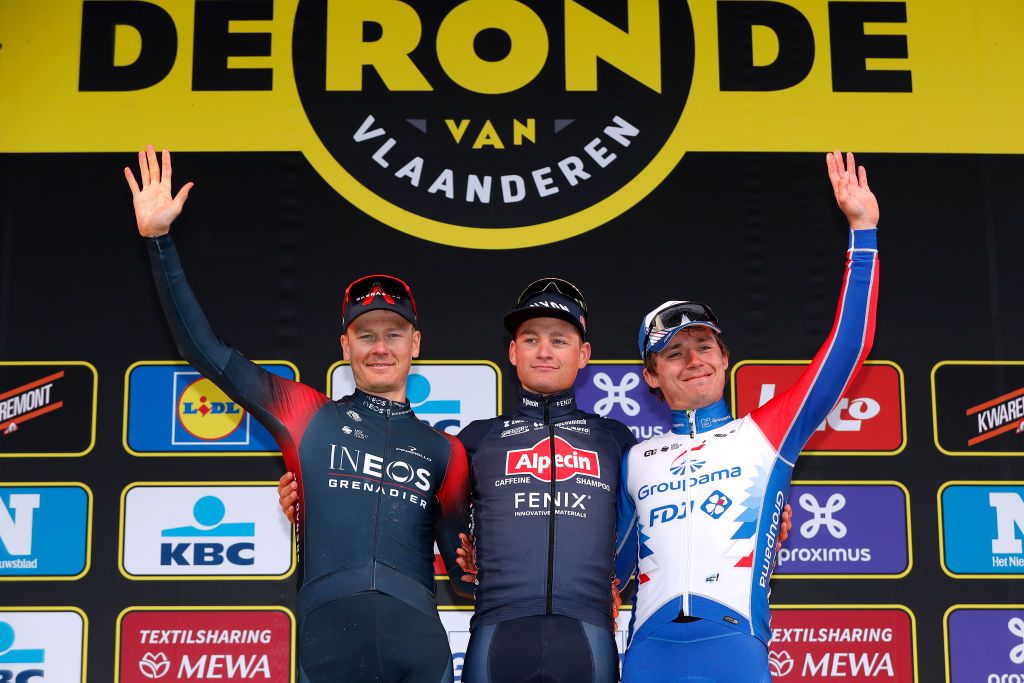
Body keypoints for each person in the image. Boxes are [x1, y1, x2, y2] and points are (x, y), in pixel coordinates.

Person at [125, 145, 474, 683]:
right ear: (344, 345)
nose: (379, 347)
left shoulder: (445, 450)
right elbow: (206, 352)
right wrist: (159, 241)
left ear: (416, 343)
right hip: (328, 632)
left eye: (393, 334)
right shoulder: (305, 413)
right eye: (365, 335)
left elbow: (466, 575)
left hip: (417, 638)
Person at [614, 151, 880, 682]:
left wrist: (863, 232)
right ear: (650, 375)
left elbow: (846, 351)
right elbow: (609, 574)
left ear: (724, 357)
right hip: (647, 651)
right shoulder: (635, 459)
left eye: (705, 346)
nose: (695, 360)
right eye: (674, 352)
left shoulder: (765, 434)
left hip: (733, 646)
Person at [456, 278, 637, 683]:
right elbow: (419, 505)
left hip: (587, 631)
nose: (544, 351)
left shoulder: (615, 439)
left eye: (559, 340)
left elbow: (661, 513)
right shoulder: (477, 437)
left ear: (583, 354)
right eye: (531, 339)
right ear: (512, 352)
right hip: (498, 629)